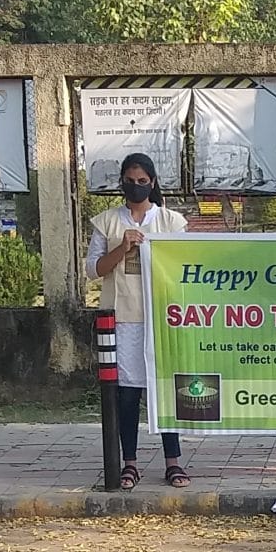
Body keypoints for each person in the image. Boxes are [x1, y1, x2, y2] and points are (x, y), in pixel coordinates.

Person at [87, 152, 191, 489]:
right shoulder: (107, 222)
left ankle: (173, 462)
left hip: (164, 317)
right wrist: (122, 247)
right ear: (122, 183)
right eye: (130, 182)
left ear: (153, 183)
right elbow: (94, 270)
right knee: (127, 394)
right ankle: (129, 463)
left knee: (166, 391)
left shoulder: (171, 222)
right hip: (124, 319)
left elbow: (185, 268)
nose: (136, 187)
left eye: (142, 182)